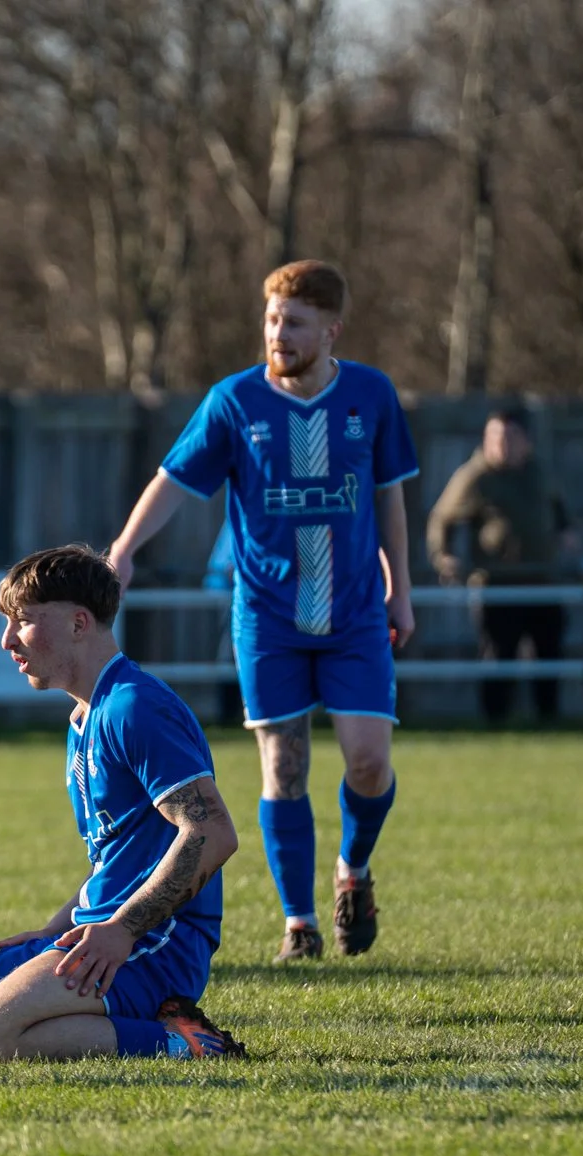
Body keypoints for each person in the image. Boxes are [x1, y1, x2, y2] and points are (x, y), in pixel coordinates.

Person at [107, 261, 418, 965]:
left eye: (296, 322)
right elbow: (173, 481)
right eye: (273, 319)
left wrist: (401, 585)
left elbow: (391, 492)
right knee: (283, 765)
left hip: (355, 614)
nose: (279, 334)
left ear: (331, 330)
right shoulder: (235, 402)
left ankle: (354, 870)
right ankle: (299, 923)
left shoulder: (370, 395)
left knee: (368, 762)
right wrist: (124, 549)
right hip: (268, 617)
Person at [0, 545, 243, 1063]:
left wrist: (121, 931)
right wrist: (61, 925)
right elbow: (118, 854)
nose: (8, 640)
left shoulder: (135, 706)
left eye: (25, 622)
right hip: (97, 931)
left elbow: (212, 833)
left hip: (154, 944)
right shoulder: (84, 717)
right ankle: (133, 1018)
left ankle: (187, 1044)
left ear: (80, 623)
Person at [425, 408, 572, 722]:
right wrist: (444, 555)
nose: (501, 445)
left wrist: (566, 531)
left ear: (526, 442)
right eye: (495, 438)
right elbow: (442, 518)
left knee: (550, 653)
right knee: (498, 655)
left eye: (509, 438)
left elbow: (558, 505)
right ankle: (495, 723)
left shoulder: (539, 471)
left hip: (543, 580)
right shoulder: (476, 476)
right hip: (498, 583)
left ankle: (550, 722)